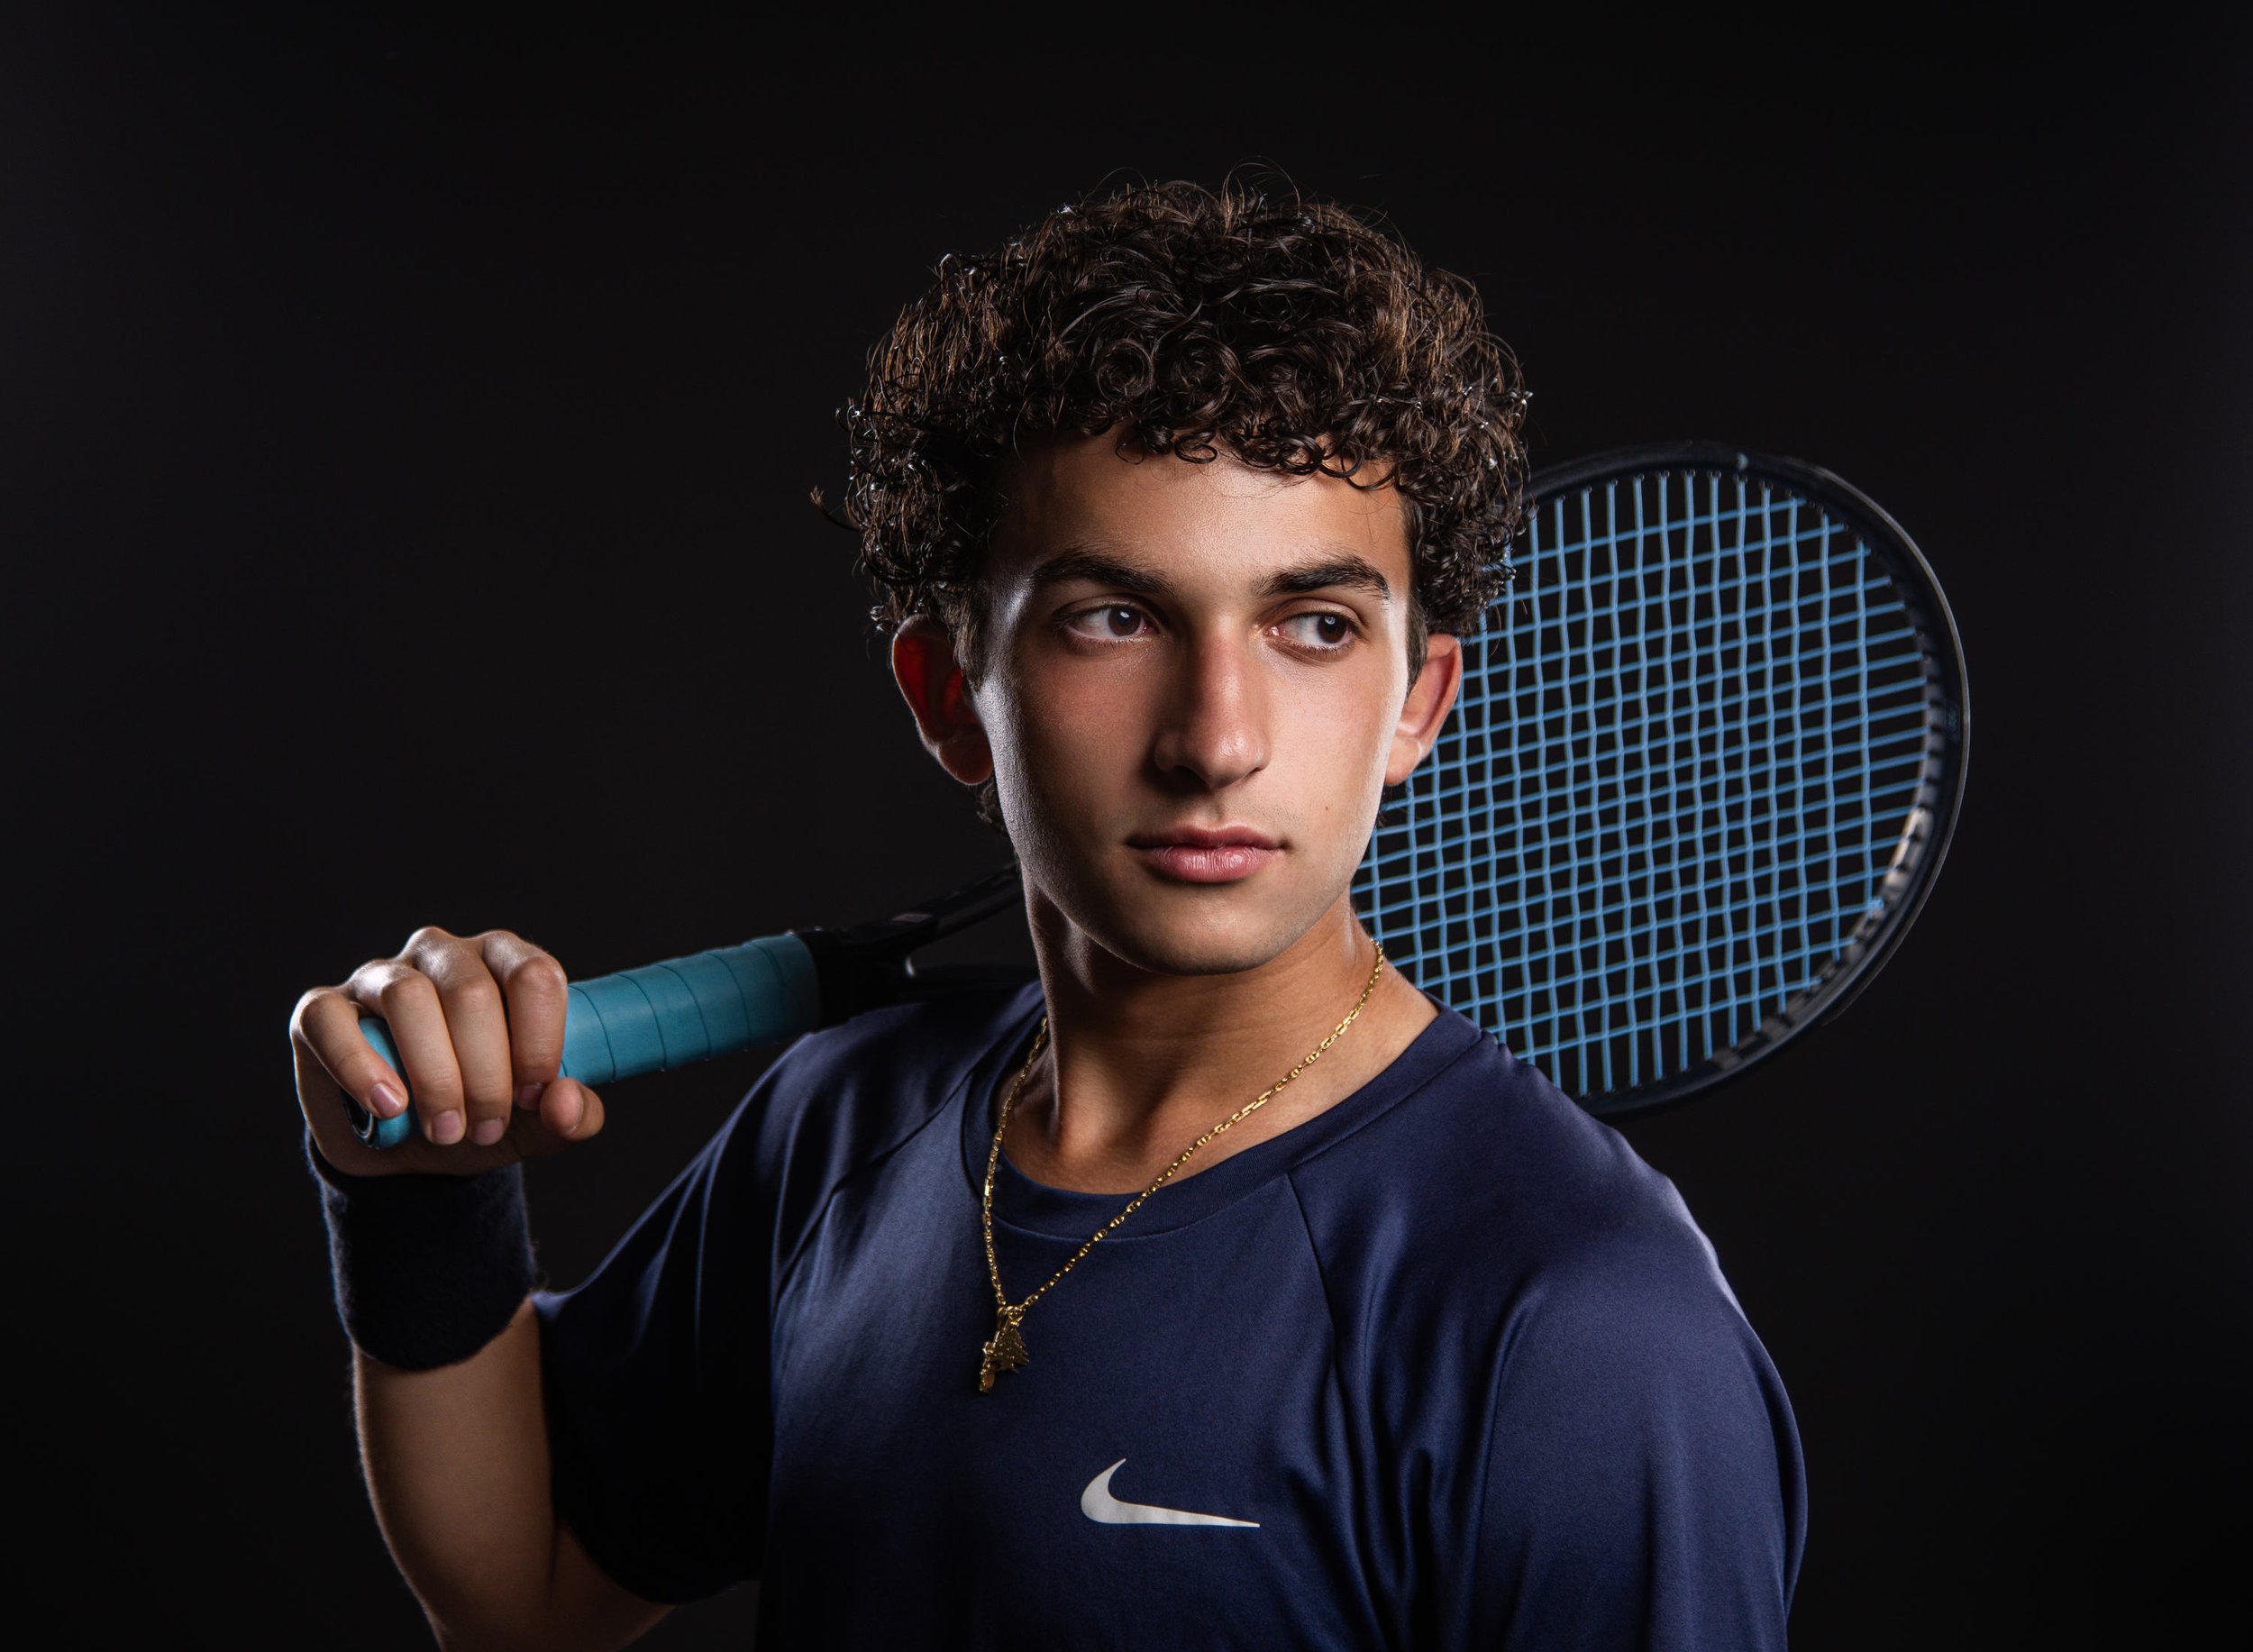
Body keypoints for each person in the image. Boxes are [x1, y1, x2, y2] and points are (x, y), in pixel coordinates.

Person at [294, 174, 1805, 1650]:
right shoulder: (841, 1125)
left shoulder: (1588, 1327)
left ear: (1416, 703)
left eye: (1314, 624)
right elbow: (528, 1591)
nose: (1216, 738)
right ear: (954, 698)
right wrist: (414, 1189)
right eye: (1116, 616)